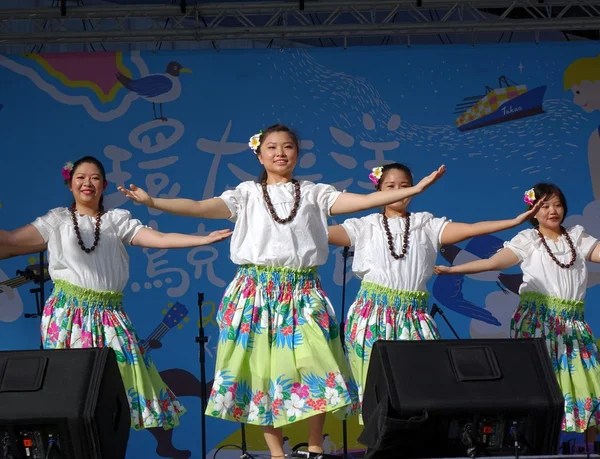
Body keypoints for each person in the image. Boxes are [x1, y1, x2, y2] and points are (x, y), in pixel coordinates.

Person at [118, 123, 446, 458]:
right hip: (255, 293)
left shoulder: (317, 194)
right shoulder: (245, 194)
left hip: (302, 293)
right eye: (272, 147)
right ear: (260, 155)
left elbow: (363, 200)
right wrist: (154, 202)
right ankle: (276, 453)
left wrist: (413, 190)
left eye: (288, 146)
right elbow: (201, 207)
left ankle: (315, 447)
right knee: (260, 373)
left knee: (319, 364)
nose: (280, 153)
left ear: (297, 153)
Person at [0, 156, 232, 431]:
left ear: (104, 185)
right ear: (70, 184)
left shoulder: (115, 221)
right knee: (71, 391)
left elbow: (158, 239)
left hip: (110, 314)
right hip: (67, 314)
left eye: (95, 177)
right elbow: (12, 243)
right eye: (81, 177)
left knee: (120, 387)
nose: (88, 183)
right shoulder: (57, 221)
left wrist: (202, 240)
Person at [327, 163, 544, 421]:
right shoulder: (365, 226)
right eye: (390, 187)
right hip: (371, 315)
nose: (398, 192)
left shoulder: (425, 225)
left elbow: (471, 229)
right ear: (379, 191)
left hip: (414, 317)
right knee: (374, 392)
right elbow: (315, 233)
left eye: (405, 186)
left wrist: (513, 221)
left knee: (420, 390)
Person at [434, 183, 600, 446]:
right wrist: (453, 270)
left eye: (557, 204)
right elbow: (492, 263)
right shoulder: (528, 240)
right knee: (542, 389)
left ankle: (590, 449)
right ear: (533, 211)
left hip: (572, 325)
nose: (552, 211)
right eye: (544, 206)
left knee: (587, 385)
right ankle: (536, 447)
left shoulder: (578, 238)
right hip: (538, 322)